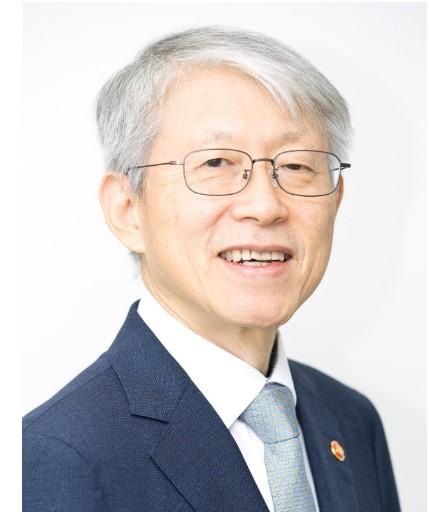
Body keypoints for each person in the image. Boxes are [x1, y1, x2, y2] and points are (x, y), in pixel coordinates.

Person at [22, 26, 401, 511]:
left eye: (297, 166)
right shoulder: (54, 457)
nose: (265, 206)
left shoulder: (350, 419)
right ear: (127, 209)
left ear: (336, 200)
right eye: (216, 162)